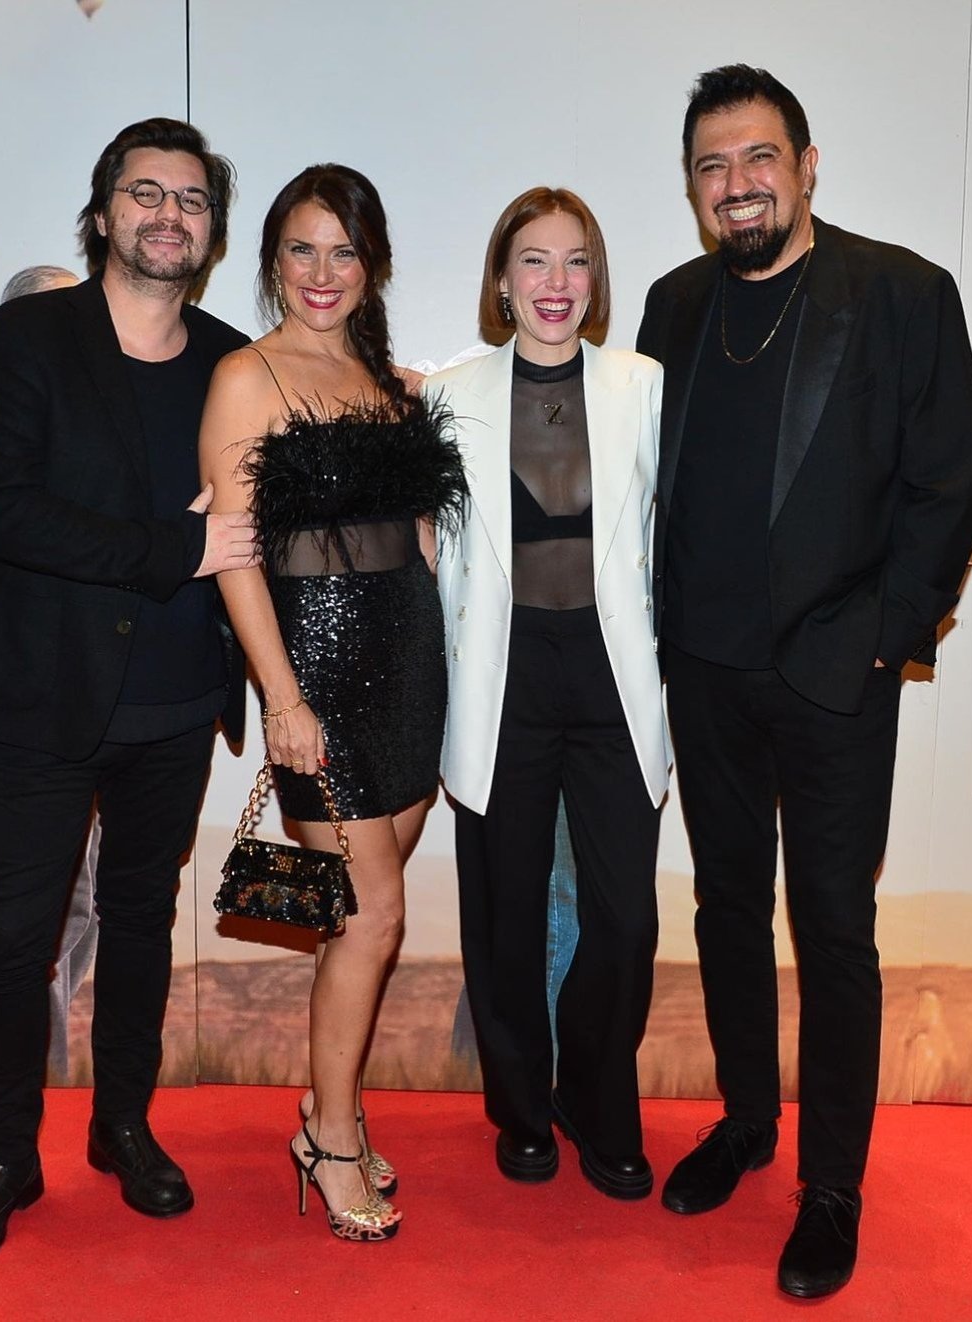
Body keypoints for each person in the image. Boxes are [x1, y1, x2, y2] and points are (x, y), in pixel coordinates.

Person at [636, 65, 972, 1298]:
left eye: (759, 157)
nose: (737, 183)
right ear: (692, 187)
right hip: (704, 671)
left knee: (834, 928)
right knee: (726, 908)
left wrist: (882, 643)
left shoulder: (900, 293)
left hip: (837, 678)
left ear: (808, 164)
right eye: (712, 166)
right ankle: (746, 1120)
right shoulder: (674, 306)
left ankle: (832, 1182)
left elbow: (946, 489)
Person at [0, 117, 256, 1268]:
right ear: (106, 209)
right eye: (146, 192)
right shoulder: (23, 337)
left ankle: (122, 1124)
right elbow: (6, 515)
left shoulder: (231, 361)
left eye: (192, 199)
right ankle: (4, 1157)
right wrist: (176, 545)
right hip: (39, 699)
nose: (169, 214)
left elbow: (260, 517)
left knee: (142, 920)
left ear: (212, 230)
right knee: (15, 934)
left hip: (177, 699)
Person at [199, 163, 467, 1243]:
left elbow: (419, 539)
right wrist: (282, 696)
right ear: (272, 260)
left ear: (373, 264)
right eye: (301, 250)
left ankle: (326, 1107)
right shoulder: (246, 376)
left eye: (343, 251)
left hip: (410, 666)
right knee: (374, 915)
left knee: (353, 921)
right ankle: (334, 1138)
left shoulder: (391, 385)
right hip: (314, 677)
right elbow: (234, 554)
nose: (323, 272)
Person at [427, 188, 671, 1199]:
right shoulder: (450, 394)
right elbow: (429, 549)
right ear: (502, 278)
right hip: (503, 679)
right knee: (505, 914)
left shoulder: (643, 384)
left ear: (596, 279)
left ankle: (598, 1103)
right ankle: (524, 1110)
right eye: (534, 260)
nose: (556, 282)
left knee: (625, 920)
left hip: (614, 679)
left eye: (576, 261)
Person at [0, 262, 97, 1084]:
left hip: (100, 696)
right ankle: (31, 1076)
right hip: (26, 697)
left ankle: (52, 1062)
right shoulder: (2, 431)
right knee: (36, 910)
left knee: (90, 900)